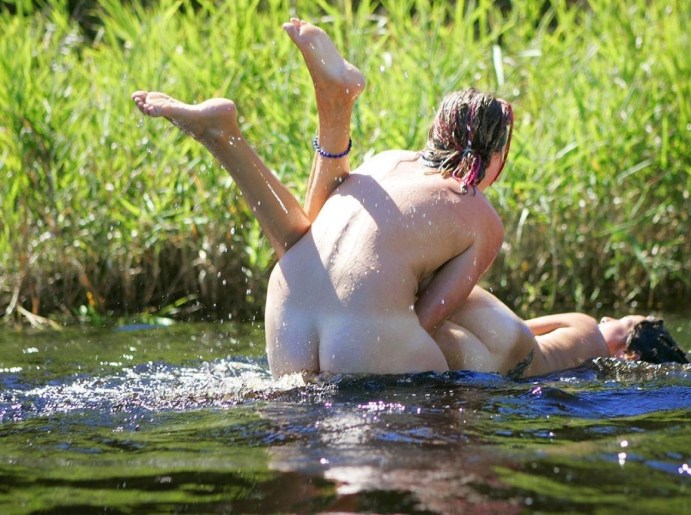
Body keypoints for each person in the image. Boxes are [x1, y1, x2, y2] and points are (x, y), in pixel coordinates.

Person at [132, 19, 514, 376]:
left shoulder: (388, 161)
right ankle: (329, 103)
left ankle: (250, 131)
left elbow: (311, 229)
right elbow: (429, 318)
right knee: (448, 421)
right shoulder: (481, 216)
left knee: (302, 244)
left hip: (287, 315)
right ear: (493, 155)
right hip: (365, 343)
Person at [436, 289, 688, 377]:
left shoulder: (587, 326)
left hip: (516, 342)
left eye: (622, 321)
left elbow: (524, 325)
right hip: (502, 373)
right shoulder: (592, 377)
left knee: (432, 282)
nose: (606, 318)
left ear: (627, 354)